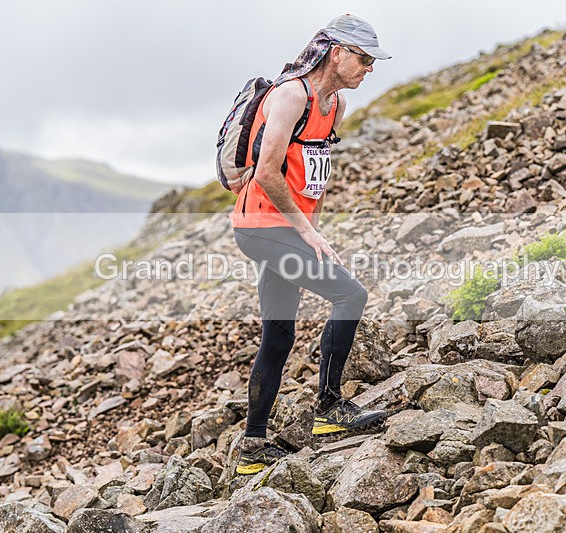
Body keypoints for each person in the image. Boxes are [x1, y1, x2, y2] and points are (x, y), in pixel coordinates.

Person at [230, 14, 391, 475]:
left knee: (278, 334)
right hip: (261, 227)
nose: (370, 68)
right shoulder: (289, 96)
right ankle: (329, 409)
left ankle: (253, 448)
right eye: (363, 58)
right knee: (351, 294)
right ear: (336, 52)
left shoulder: (334, 106)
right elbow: (265, 172)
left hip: (285, 227)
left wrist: (309, 228)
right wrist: (307, 232)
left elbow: (310, 175)